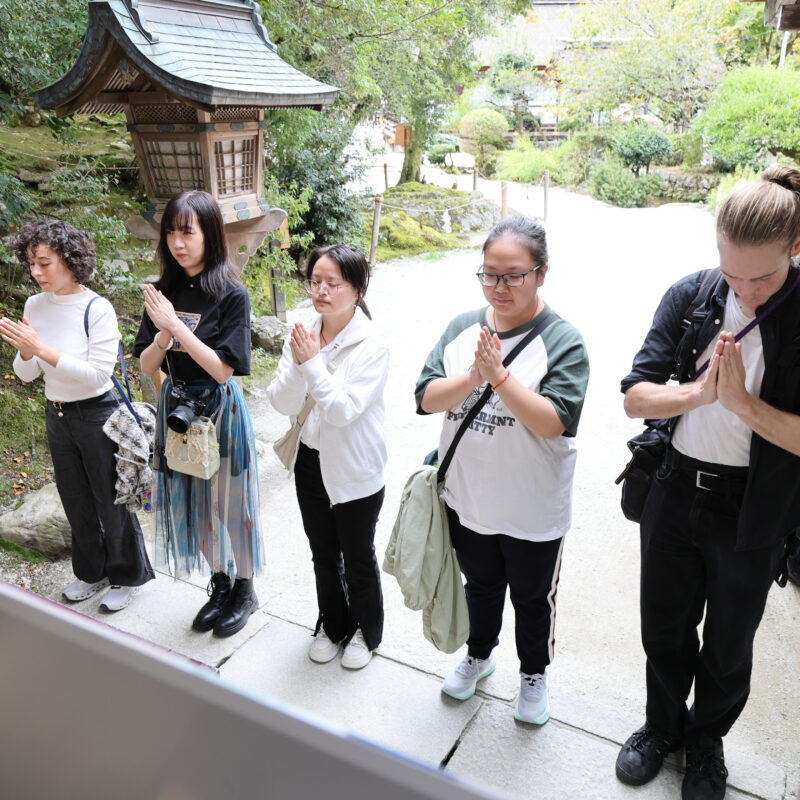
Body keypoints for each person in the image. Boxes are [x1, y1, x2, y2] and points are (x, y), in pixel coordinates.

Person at [616, 164, 800, 800]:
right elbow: (636, 398)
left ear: (796, 247)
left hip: (752, 509)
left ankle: (706, 742)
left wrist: (744, 405)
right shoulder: (690, 296)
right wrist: (698, 392)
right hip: (674, 489)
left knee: (727, 643)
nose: (746, 293)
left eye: (764, 278)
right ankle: (659, 727)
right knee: (664, 627)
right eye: (733, 275)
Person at [415, 217, 589, 724]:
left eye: (514, 275)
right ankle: (479, 654)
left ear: (541, 274)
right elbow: (425, 396)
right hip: (469, 498)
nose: (500, 287)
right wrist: (473, 375)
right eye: (490, 274)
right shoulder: (462, 327)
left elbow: (555, 422)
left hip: (532, 507)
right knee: (481, 586)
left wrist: (500, 377)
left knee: (533, 599)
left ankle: (533, 674)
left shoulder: (563, 341)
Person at [0, 220, 154, 610]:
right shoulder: (35, 305)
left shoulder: (96, 308)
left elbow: (98, 375)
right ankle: (91, 572)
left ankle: (126, 576)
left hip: (98, 414)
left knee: (110, 498)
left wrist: (40, 346)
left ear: (71, 261)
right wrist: (26, 350)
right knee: (75, 499)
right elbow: (26, 374)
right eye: (31, 263)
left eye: (44, 263)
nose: (35, 272)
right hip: (58, 415)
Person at [133, 190, 264, 637]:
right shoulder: (162, 291)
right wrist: (163, 334)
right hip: (177, 408)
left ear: (209, 233)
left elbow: (224, 369)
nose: (177, 242)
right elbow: (147, 366)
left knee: (230, 507)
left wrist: (173, 326)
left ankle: (245, 589)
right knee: (196, 507)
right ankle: (221, 584)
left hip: (219, 409)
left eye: (186, 232)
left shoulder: (231, 294)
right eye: (170, 232)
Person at [267, 244, 389, 670]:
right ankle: (332, 623)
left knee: (357, 555)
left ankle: (365, 632)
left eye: (332, 283)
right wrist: (302, 363)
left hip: (356, 468)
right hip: (310, 461)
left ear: (356, 290)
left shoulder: (372, 345)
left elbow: (342, 411)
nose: (320, 290)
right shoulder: (302, 330)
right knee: (322, 552)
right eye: (315, 281)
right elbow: (281, 402)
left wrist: (311, 364)